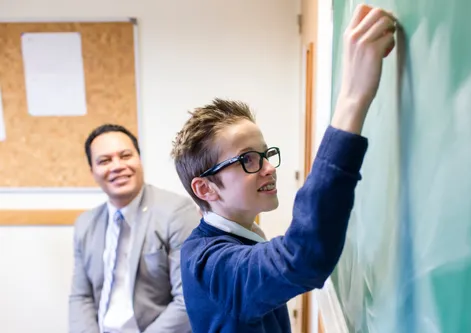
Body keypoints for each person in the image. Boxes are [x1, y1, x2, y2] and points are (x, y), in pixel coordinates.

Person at [170, 4, 396, 333]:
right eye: (247, 159)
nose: (268, 169)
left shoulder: (241, 238)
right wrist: (351, 99)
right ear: (205, 188)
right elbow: (302, 256)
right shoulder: (209, 262)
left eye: (266, 154)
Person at [68, 124, 199, 333]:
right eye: (105, 161)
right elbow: (81, 297)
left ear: (139, 159)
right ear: (92, 172)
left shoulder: (176, 212)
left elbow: (188, 299)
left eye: (125, 155)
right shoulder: (85, 224)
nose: (117, 166)